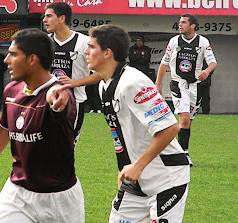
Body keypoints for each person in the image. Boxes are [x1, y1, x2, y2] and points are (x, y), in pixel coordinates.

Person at [0, 29, 84, 223]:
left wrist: (57, 95)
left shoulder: (60, 95)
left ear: (32, 59)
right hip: (18, 194)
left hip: (60, 200)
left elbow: (61, 100)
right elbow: (3, 129)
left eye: (13, 54)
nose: (6, 60)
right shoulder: (11, 91)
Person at [84, 24, 190, 223]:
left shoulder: (132, 83)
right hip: (135, 182)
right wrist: (126, 166)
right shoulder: (103, 86)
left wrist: (138, 166)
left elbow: (170, 128)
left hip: (166, 179)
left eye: (91, 46)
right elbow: (119, 133)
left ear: (107, 53)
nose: (85, 51)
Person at [155, 14, 217, 165]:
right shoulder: (174, 41)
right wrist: (158, 83)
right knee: (183, 120)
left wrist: (206, 71)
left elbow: (213, 62)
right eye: (179, 22)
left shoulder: (202, 42)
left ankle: (173, 150)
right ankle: (184, 155)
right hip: (179, 84)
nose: (180, 25)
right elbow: (164, 63)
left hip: (195, 86)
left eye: (183, 22)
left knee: (187, 122)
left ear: (193, 26)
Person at [43, 2, 102, 146]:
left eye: (49, 16)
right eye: (45, 16)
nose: (45, 20)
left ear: (62, 18)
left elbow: (101, 73)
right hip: (46, 102)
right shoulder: (45, 42)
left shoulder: (84, 42)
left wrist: (75, 82)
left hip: (74, 103)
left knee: (66, 148)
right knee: (44, 148)